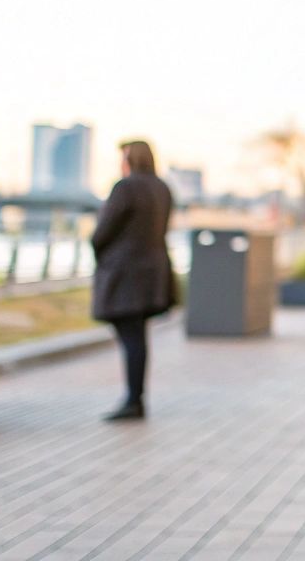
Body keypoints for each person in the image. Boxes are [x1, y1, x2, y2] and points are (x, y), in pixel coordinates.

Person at [90, 139, 177, 422]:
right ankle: (135, 398)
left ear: (131, 158)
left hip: (126, 275)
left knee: (131, 337)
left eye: (123, 157)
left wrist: (102, 256)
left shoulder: (125, 187)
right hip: (153, 273)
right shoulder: (162, 188)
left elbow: (101, 233)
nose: (120, 163)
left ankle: (133, 400)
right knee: (137, 336)